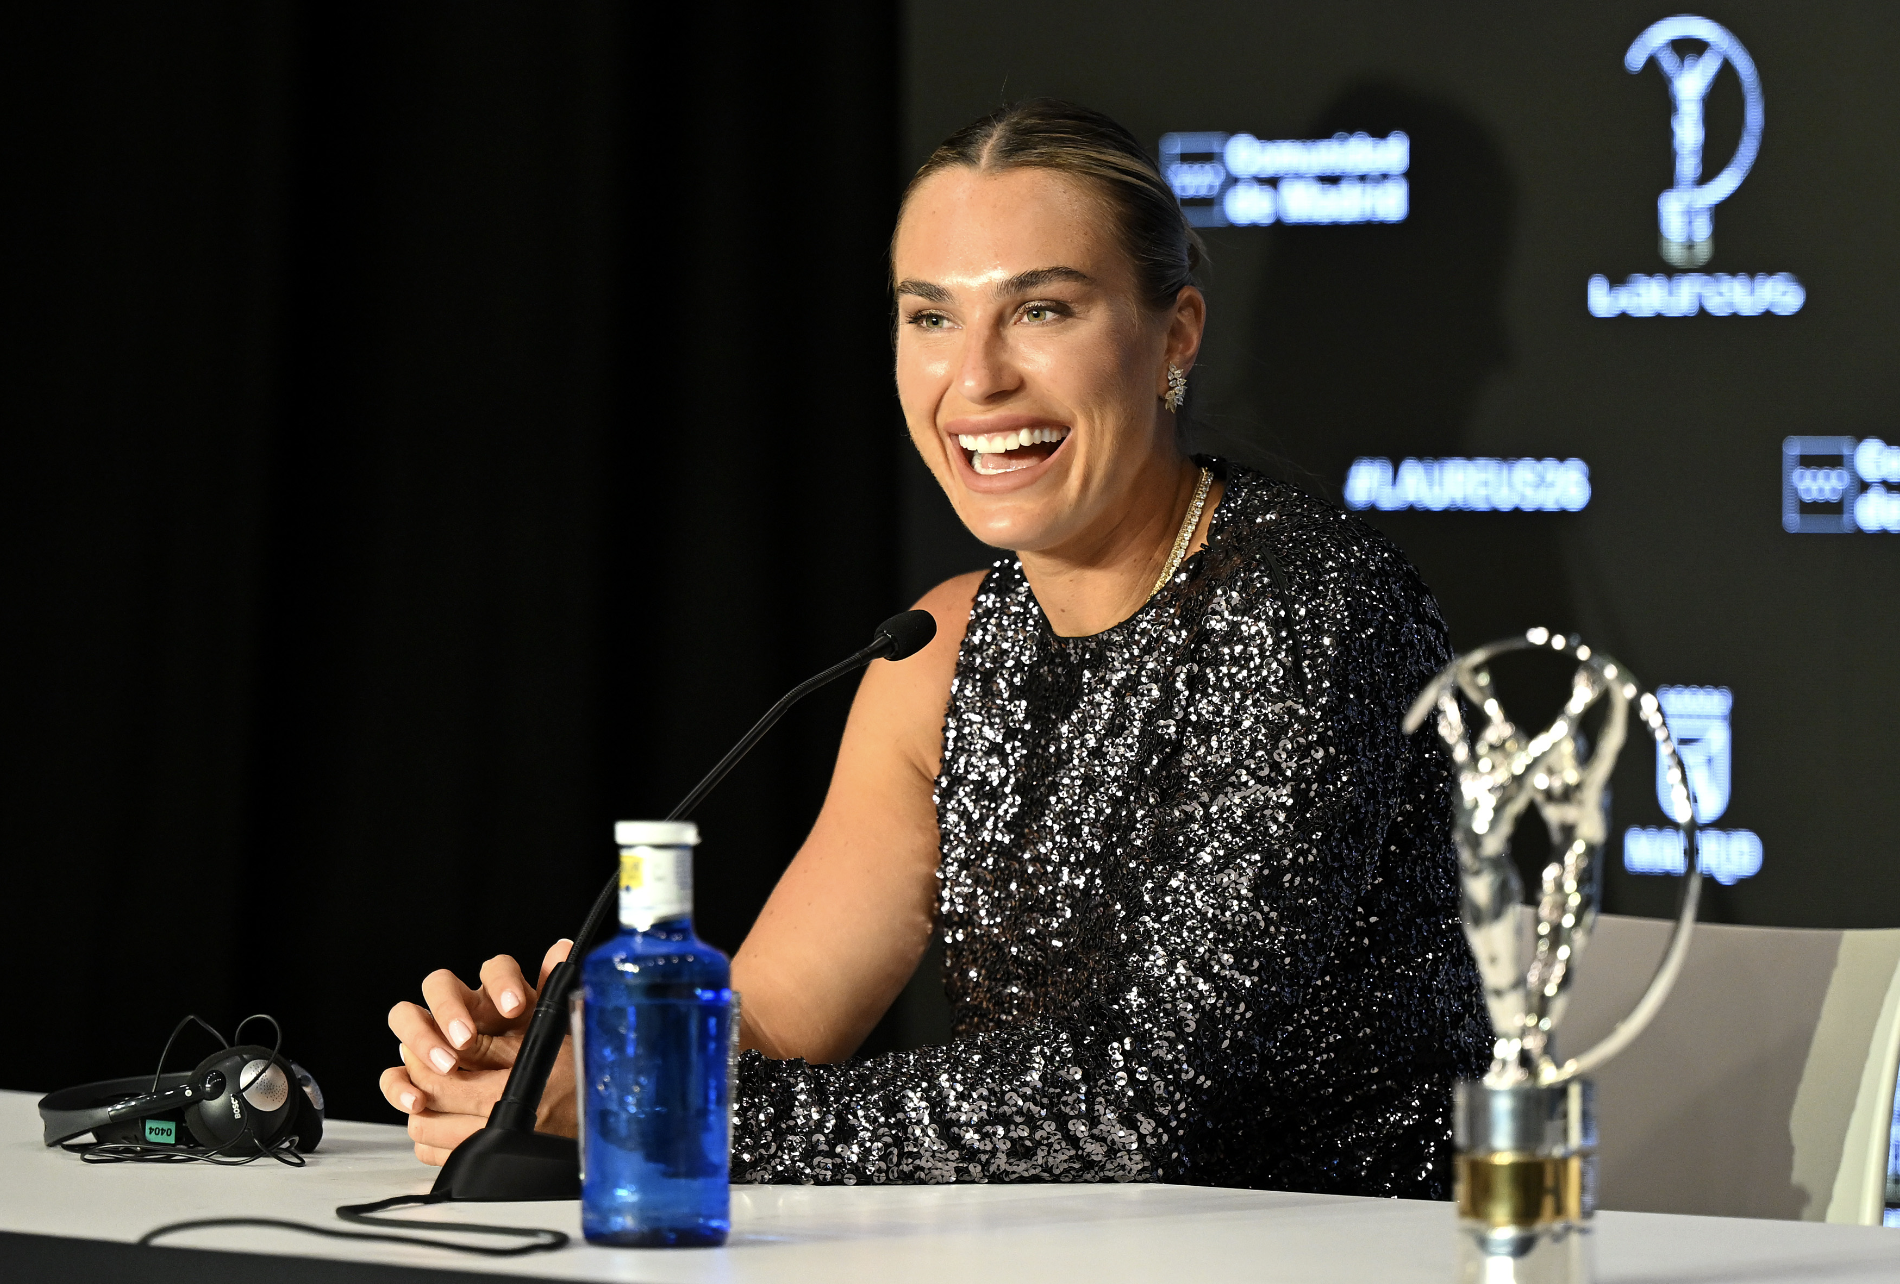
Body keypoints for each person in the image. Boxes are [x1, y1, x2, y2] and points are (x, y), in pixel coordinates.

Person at [380, 99, 1488, 1194]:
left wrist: (662, 1103)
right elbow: (776, 1025)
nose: (977, 378)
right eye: (930, 318)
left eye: (1041, 310)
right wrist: (562, 1064)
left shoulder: (1310, 603)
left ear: (1176, 335)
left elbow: (1143, 1098)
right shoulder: (940, 644)